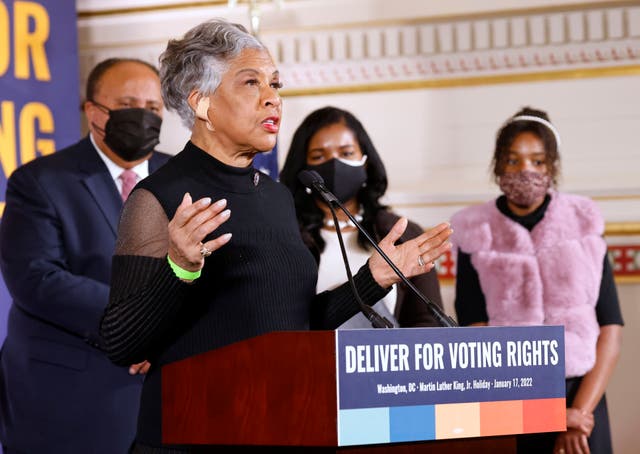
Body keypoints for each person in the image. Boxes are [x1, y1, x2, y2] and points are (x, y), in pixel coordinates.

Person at [98, 19, 452, 453]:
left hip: (277, 428)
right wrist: (180, 269)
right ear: (202, 103)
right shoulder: (160, 196)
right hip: (194, 436)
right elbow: (119, 342)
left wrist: (372, 278)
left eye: (276, 84)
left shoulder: (279, 197)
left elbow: (293, 327)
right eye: (251, 83)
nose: (273, 99)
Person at [0, 58, 171, 454]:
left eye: (152, 109)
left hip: (169, 398)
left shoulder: (183, 178)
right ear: (94, 111)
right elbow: (37, 279)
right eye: (129, 105)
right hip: (68, 399)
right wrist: (137, 327)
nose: (143, 118)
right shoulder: (38, 182)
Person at [450, 107, 623, 454]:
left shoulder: (583, 222)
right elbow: (474, 330)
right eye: (513, 161)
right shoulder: (474, 230)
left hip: (583, 398)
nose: (525, 170)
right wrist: (547, 415)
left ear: (552, 168)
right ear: (498, 166)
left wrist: (578, 414)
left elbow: (610, 328)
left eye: (538, 162)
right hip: (512, 400)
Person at [279, 106, 445, 328]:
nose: (335, 164)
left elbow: (427, 323)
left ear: (366, 162)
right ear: (303, 169)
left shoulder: (401, 232)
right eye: (319, 156)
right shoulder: (284, 235)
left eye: (347, 153)